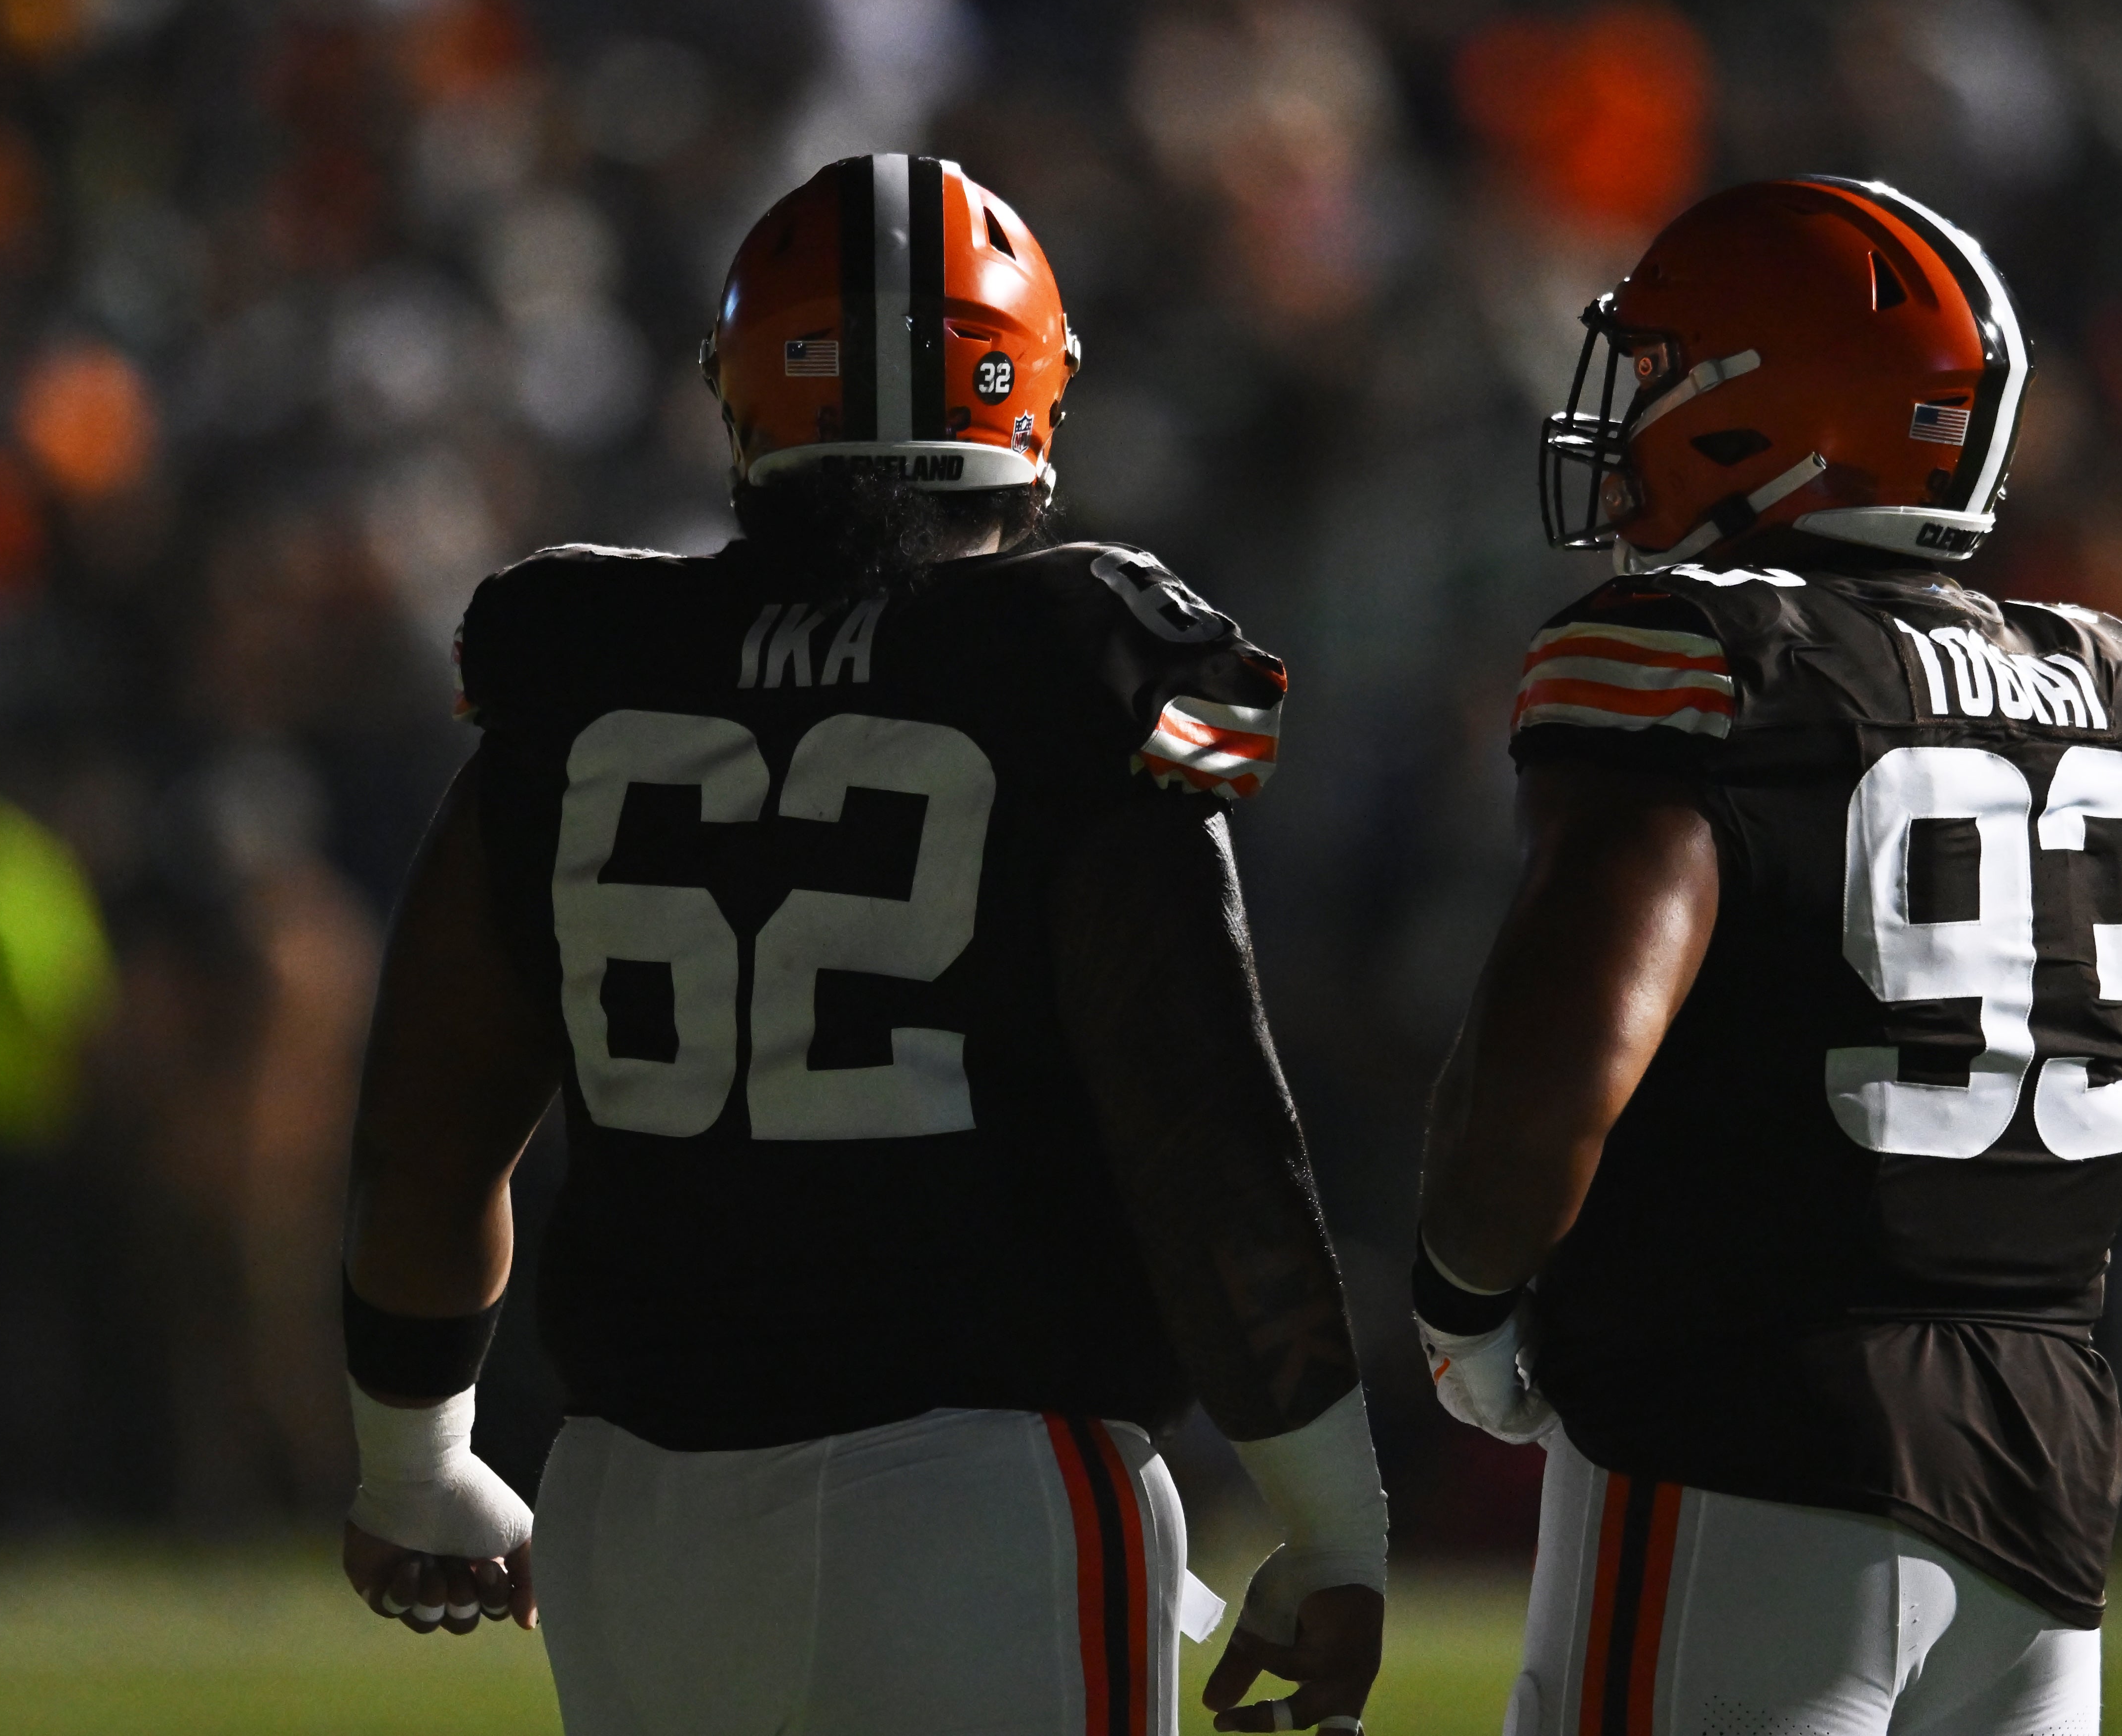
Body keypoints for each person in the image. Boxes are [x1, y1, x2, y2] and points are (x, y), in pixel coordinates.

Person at [334, 153, 1386, 1736]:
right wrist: (1337, 1522)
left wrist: (413, 1459)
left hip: (638, 1510)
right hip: (978, 1486)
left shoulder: (585, 668)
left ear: (746, 396)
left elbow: (428, 1116)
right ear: (1026, 398)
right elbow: (1206, 1135)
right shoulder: (1075, 669)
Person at [1414, 177, 2122, 1736]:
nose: (1621, 416)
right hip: (2044, 1443)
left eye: (1657, 371)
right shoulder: (2112, 681)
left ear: (1763, 408)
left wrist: (1463, 1292)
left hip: (1752, 1423)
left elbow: (1566, 1043)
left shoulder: (1702, 652)